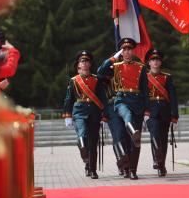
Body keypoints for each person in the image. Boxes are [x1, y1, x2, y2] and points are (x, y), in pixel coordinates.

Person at [97, 38, 149, 180]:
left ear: (133, 51)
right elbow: (100, 73)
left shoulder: (141, 67)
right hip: (120, 103)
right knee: (120, 137)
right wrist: (113, 58)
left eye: (129, 49)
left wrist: (147, 111)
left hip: (137, 105)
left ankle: (133, 169)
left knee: (135, 142)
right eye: (124, 49)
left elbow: (145, 90)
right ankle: (125, 166)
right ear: (121, 51)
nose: (127, 52)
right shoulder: (116, 66)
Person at [63, 51, 107, 179]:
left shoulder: (96, 79)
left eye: (87, 61)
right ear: (78, 65)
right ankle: (83, 152)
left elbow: (103, 98)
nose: (85, 63)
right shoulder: (73, 81)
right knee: (82, 134)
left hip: (94, 113)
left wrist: (105, 115)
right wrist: (67, 115)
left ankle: (92, 169)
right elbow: (68, 99)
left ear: (90, 64)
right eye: (82, 61)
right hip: (79, 113)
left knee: (93, 143)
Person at [144, 48, 178, 177]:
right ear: (149, 63)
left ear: (161, 62)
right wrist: (144, 112)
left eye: (157, 59)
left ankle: (161, 165)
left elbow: (173, 97)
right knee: (154, 135)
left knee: (163, 139)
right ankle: (156, 159)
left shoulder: (167, 77)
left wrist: (174, 116)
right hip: (151, 112)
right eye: (153, 60)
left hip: (165, 111)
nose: (155, 62)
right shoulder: (144, 78)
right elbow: (143, 96)